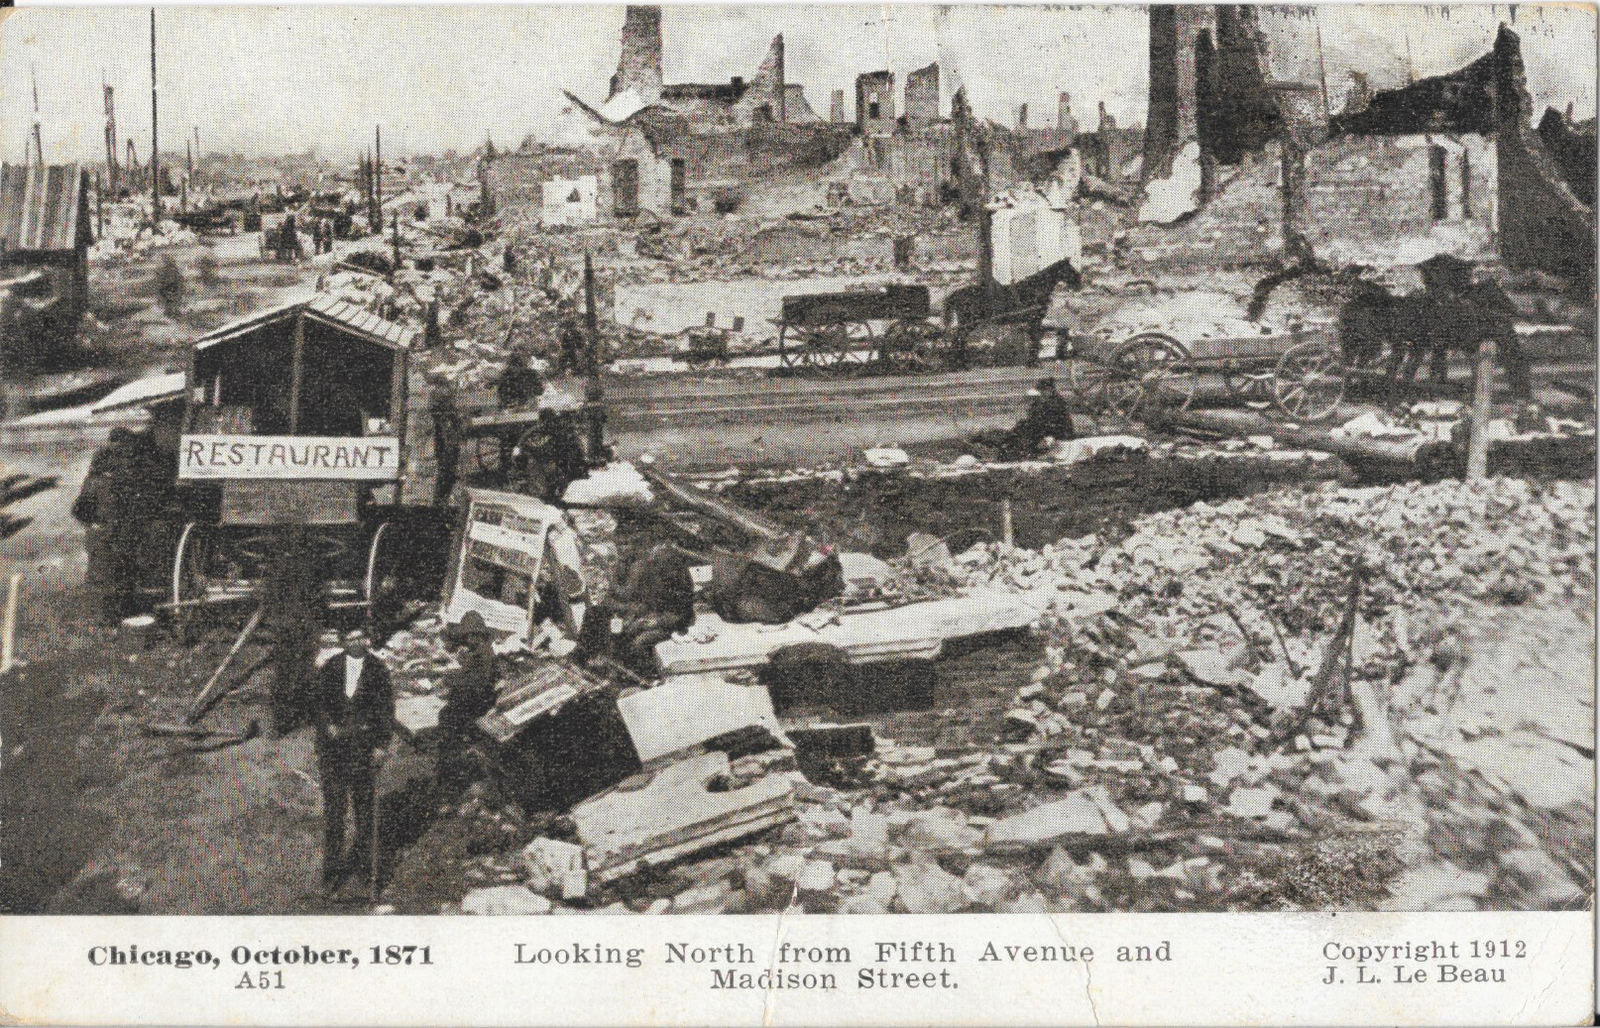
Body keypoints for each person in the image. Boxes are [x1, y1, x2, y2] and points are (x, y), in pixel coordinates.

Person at [311, 628, 394, 893]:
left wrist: (381, 745)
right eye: (351, 638)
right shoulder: (331, 667)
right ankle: (332, 873)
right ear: (343, 641)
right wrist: (328, 727)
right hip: (334, 753)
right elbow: (318, 705)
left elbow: (386, 710)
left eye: (361, 637)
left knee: (365, 814)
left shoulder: (378, 670)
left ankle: (367, 875)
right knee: (334, 814)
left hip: (363, 751)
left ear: (367, 640)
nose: (356, 642)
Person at [577, 539, 695, 677]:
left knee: (638, 642)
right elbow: (645, 602)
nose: (651, 553)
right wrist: (638, 617)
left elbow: (681, 614)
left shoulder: (676, 576)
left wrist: (651, 622)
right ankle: (606, 664)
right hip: (653, 616)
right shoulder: (647, 568)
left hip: (674, 625)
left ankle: (645, 676)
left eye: (656, 549)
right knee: (619, 627)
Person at [71, 428, 148, 625]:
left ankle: (110, 618)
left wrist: (94, 525)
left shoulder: (98, 478)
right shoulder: (129, 478)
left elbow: (80, 509)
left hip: (107, 535)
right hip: (119, 535)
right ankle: (119, 616)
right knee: (122, 575)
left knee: (107, 578)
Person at [434, 612, 499, 796]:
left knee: (447, 719)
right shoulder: (478, 653)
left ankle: (451, 776)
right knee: (447, 717)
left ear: (478, 636)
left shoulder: (484, 656)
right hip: (472, 702)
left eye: (471, 635)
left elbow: (477, 684)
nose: (468, 640)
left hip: (476, 707)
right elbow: (467, 676)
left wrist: (452, 683)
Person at [1003, 377, 1078, 458]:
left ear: (1050, 390)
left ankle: (1024, 451)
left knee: (1026, 429)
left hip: (1057, 433)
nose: (1042, 393)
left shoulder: (1056, 403)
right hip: (1046, 429)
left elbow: (1055, 423)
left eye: (1043, 390)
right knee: (1022, 427)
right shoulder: (1041, 402)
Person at [426, 375, 463, 505]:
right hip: (445, 439)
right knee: (446, 469)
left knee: (445, 468)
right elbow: (452, 415)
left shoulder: (433, 397)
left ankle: (440, 498)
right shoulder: (441, 397)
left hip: (443, 438)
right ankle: (441, 498)